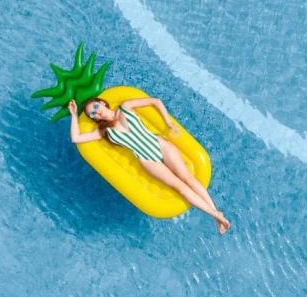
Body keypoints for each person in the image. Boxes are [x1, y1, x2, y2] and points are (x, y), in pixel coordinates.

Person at [67, 97, 231, 234]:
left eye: (96, 107)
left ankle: (216, 213)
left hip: (160, 144)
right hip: (147, 160)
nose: (97, 112)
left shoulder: (125, 106)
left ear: (102, 102)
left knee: (188, 178)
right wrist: (74, 115)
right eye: (93, 114)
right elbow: (76, 138)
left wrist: (168, 123)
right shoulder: (104, 131)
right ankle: (215, 215)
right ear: (95, 118)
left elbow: (156, 101)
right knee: (180, 187)